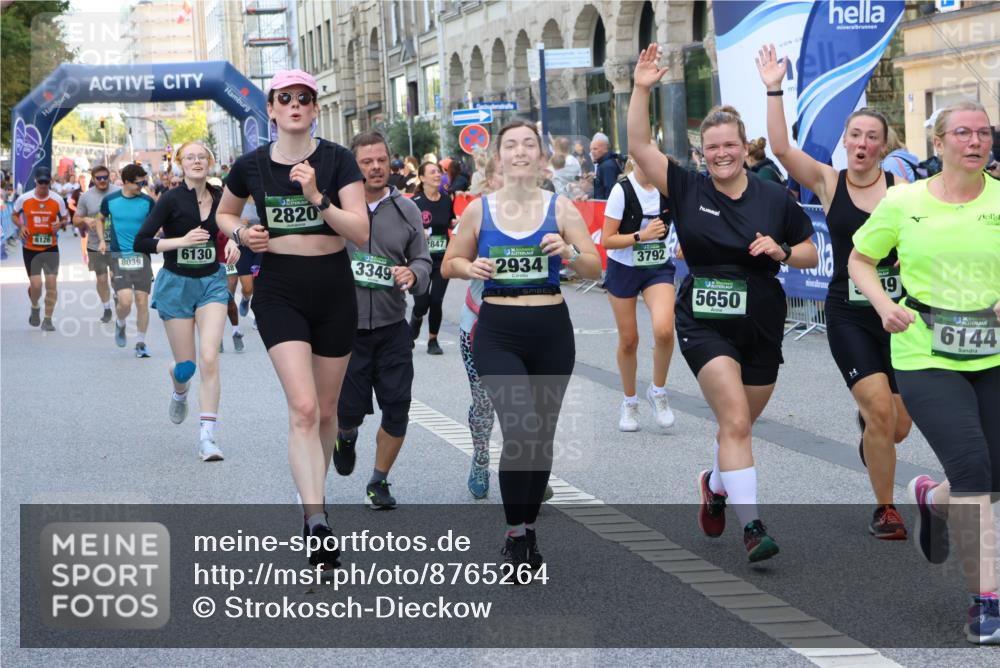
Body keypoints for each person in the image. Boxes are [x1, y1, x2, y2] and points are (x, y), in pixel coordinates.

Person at [630, 43, 818, 562]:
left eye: (729, 145)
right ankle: (753, 527)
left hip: (761, 320)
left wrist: (782, 249)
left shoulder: (773, 196)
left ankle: (714, 483)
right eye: (711, 146)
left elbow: (808, 250)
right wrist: (642, 87)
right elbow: (640, 145)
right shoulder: (687, 188)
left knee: (741, 425)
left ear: (743, 146)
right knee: (734, 420)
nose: (720, 153)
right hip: (705, 321)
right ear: (701, 151)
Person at [849, 100, 1000, 644]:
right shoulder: (903, 201)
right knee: (974, 468)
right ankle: (986, 602)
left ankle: (932, 500)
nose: (975, 141)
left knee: (992, 476)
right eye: (963, 132)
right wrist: (883, 305)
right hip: (924, 352)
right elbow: (860, 260)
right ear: (938, 144)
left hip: (992, 353)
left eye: (984, 133)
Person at [758, 43, 913, 539]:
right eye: (855, 135)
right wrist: (775, 87)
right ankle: (886, 510)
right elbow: (781, 148)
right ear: (846, 142)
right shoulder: (829, 181)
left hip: (899, 315)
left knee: (899, 425)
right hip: (849, 311)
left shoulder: (904, 192)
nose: (863, 143)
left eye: (872, 137)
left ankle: (871, 428)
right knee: (881, 412)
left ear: (885, 147)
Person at [215, 69, 368, 570]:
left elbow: (361, 233)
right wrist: (242, 233)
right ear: (273, 108)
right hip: (279, 289)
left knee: (326, 412)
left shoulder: (337, 160)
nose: (296, 105)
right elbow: (223, 214)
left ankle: (313, 503)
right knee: (302, 408)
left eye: (305, 98)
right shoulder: (252, 164)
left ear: (315, 109)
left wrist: (317, 197)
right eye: (287, 98)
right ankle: (317, 519)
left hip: (333, 288)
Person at [442, 120, 602, 569]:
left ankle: (528, 529)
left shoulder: (562, 208)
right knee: (520, 428)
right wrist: (468, 268)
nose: (519, 152)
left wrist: (569, 255)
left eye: (528, 145)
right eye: (510, 145)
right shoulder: (479, 210)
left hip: (551, 328)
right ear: (499, 156)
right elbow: (449, 263)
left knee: (541, 437)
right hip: (498, 330)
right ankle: (515, 536)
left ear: (540, 155)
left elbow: (594, 267)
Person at [333, 131, 431, 508]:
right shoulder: (337, 209)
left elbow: (422, 258)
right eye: (366, 162)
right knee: (347, 411)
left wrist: (414, 274)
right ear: (353, 166)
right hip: (345, 330)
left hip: (392, 328)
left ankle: (378, 481)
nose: (376, 167)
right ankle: (346, 435)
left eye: (381, 160)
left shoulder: (405, 209)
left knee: (397, 407)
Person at [134, 141, 239, 461]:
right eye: (190, 157)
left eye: (202, 156)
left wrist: (238, 242)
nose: (196, 161)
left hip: (211, 284)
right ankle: (180, 390)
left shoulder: (222, 198)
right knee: (187, 366)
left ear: (210, 161)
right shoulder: (169, 199)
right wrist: (180, 241)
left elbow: (236, 228)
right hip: (176, 284)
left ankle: (207, 438)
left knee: (209, 357)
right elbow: (142, 242)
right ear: (180, 164)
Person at [601, 152, 677, 432]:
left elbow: (686, 222)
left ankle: (658, 392)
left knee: (665, 329)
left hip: (657, 266)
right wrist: (640, 236)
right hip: (624, 267)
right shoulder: (622, 191)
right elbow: (607, 239)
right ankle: (630, 402)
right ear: (635, 159)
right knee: (629, 340)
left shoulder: (667, 188)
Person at [97, 163, 156, 358]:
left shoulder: (148, 202)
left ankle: (141, 342)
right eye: (139, 183)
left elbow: (158, 223)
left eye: (144, 182)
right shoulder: (110, 200)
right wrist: (101, 241)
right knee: (125, 301)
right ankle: (121, 323)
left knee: (142, 300)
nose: (143, 185)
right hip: (119, 256)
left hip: (142, 257)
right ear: (127, 182)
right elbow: (100, 218)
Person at [12, 166, 68, 331]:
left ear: (50, 182)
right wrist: (21, 226)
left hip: (50, 247)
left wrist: (60, 224)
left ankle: (48, 319)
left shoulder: (57, 199)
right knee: (36, 285)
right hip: (30, 247)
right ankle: (35, 307)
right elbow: (14, 214)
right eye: (41, 181)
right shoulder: (24, 198)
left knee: (51, 284)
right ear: (36, 181)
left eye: (46, 182)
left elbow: (65, 218)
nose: (43, 185)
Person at [410, 161, 456, 355]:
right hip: (420, 260)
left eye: (438, 171)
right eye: (432, 172)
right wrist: (418, 232)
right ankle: (416, 319)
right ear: (422, 178)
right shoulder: (414, 202)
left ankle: (432, 340)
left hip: (441, 260)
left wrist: (456, 222)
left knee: (436, 300)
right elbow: (406, 230)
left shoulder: (446, 200)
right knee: (422, 304)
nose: (438, 175)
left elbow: (450, 221)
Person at [75, 165, 120, 324]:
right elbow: (75, 219)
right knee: (101, 280)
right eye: (98, 178)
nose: (102, 181)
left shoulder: (118, 192)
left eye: (105, 177)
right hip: (95, 245)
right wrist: (85, 219)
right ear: (93, 179)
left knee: (117, 278)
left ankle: (116, 297)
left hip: (116, 245)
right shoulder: (86, 197)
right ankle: (107, 307)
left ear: (110, 177)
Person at [591, 132, 623, 200]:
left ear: (605, 148)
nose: (592, 152)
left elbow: (610, 192)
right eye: (591, 149)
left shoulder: (607, 166)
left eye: (595, 149)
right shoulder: (605, 163)